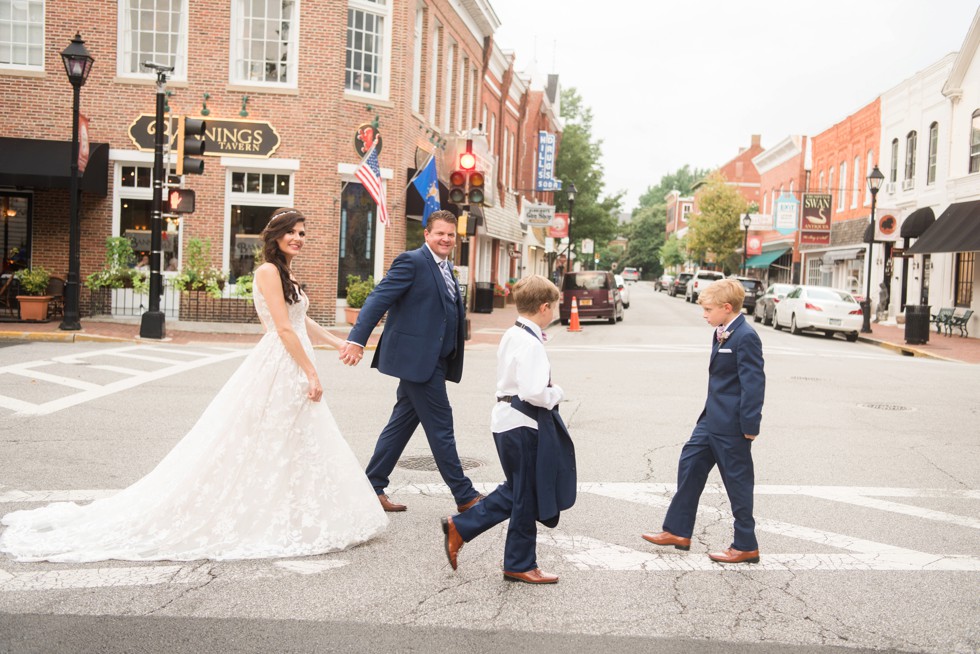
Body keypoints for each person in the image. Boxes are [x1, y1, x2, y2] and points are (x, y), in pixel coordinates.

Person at [0, 208, 388, 562]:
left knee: (294, 438)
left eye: (303, 233)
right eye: (292, 232)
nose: (299, 238)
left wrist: (343, 342)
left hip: (291, 361)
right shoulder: (268, 272)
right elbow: (283, 328)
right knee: (263, 437)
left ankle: (295, 508)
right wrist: (312, 372)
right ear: (276, 236)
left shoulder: (287, 274)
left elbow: (303, 322)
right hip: (281, 363)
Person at [340, 210, 482, 514]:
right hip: (419, 362)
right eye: (439, 233)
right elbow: (379, 298)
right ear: (427, 235)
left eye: (450, 234)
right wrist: (356, 339)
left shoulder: (447, 268)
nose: (445, 239)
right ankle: (464, 494)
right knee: (441, 425)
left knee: (401, 424)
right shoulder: (412, 261)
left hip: (435, 361)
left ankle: (372, 485)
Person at [442, 275, 575, 584]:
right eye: (553, 307)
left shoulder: (513, 334)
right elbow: (534, 392)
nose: (554, 312)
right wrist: (557, 393)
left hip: (507, 420)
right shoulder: (531, 344)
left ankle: (471, 533)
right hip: (523, 423)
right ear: (544, 307)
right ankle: (515, 561)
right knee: (524, 493)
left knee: (519, 490)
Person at [642, 279, 765, 564]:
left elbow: (754, 384)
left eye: (708, 309)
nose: (704, 315)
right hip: (711, 419)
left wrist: (750, 426)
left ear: (726, 307)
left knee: (737, 483)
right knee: (690, 462)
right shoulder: (721, 332)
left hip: (732, 425)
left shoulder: (746, 336)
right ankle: (677, 530)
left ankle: (746, 544)